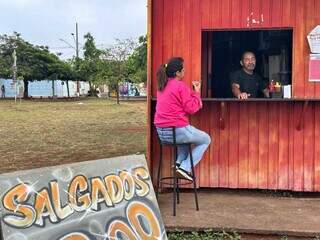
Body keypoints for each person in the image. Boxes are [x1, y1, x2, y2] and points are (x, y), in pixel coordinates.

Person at [154, 57, 211, 181]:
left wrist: (193, 92)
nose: (185, 71)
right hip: (177, 130)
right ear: (177, 73)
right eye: (183, 69)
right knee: (206, 139)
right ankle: (185, 167)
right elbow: (192, 109)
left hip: (162, 133)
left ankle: (178, 164)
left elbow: (178, 99)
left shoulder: (161, 86)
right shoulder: (180, 86)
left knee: (184, 140)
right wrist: (197, 92)